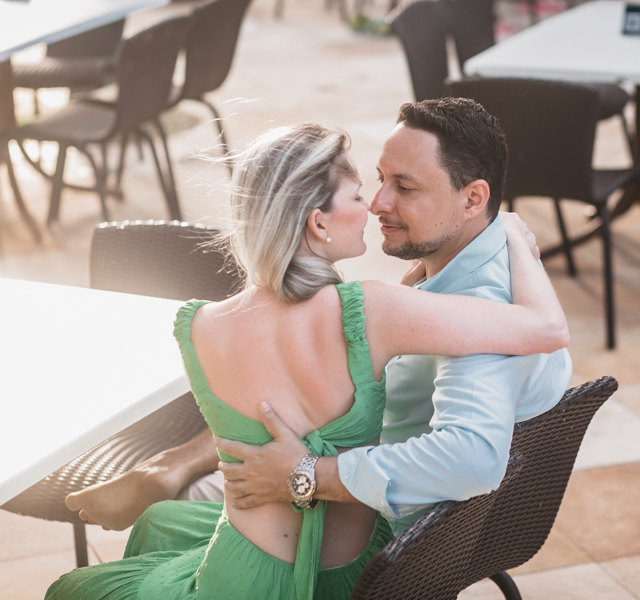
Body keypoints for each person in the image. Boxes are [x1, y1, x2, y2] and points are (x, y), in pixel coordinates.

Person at [47, 114, 567, 600]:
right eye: (370, 186)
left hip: (367, 545)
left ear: (473, 198)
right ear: (319, 223)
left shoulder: (202, 324)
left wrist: (306, 473)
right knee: (161, 521)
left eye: (403, 187)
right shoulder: (384, 307)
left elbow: (472, 455)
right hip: (348, 540)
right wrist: (510, 232)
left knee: (77, 586)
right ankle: (173, 469)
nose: (377, 204)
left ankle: (172, 469)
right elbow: (547, 326)